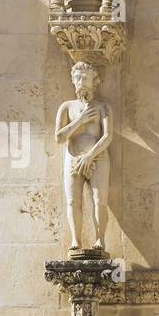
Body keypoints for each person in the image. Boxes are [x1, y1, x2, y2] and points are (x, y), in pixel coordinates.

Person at [55, 62, 112, 252]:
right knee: (73, 200)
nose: (81, 82)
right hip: (72, 158)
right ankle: (75, 240)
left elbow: (107, 136)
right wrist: (80, 120)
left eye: (85, 77)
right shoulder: (67, 107)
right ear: (73, 80)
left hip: (97, 157)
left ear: (94, 81)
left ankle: (100, 239)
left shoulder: (102, 107)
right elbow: (59, 137)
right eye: (78, 78)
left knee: (99, 199)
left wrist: (90, 156)